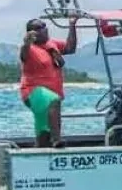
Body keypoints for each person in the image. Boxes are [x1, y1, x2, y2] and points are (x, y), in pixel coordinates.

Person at [19, 18, 78, 148]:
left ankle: (40, 152)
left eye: (44, 26)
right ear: (32, 33)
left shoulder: (52, 44)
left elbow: (70, 48)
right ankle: (56, 139)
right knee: (53, 100)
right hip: (33, 92)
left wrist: (72, 25)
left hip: (52, 94)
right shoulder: (30, 49)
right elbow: (23, 55)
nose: (43, 29)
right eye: (39, 28)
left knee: (44, 133)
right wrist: (26, 43)